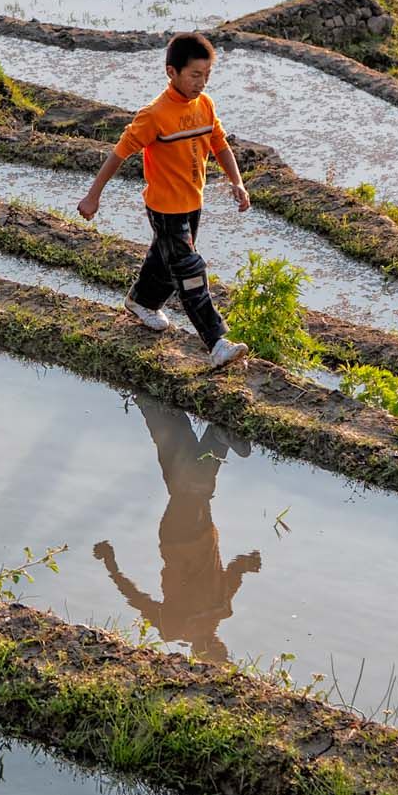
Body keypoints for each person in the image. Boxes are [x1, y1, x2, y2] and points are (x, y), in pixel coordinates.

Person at [75, 32, 250, 370]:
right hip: (166, 208)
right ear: (172, 72)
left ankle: (140, 300)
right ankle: (216, 343)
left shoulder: (205, 105)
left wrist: (237, 182)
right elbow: (119, 153)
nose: (201, 82)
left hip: (192, 202)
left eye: (207, 75)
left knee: (166, 259)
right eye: (194, 75)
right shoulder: (155, 114)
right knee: (188, 270)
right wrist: (93, 195)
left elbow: (220, 144)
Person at [92, 396, 261, 663]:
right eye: (222, 654)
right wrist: (248, 564)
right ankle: (157, 406)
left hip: (180, 539)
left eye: (216, 655)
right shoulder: (222, 609)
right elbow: (236, 569)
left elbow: (137, 598)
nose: (218, 647)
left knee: (191, 489)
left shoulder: (176, 626)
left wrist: (111, 563)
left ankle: (217, 435)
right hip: (197, 532)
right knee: (182, 479)